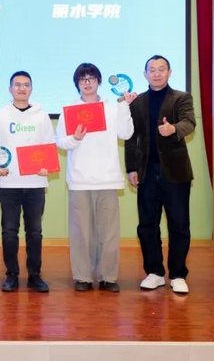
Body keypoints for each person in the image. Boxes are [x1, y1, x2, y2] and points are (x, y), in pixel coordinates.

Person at [56, 63, 136, 293]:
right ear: (77, 83)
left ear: (99, 81)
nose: (87, 82)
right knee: (80, 233)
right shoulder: (69, 110)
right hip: (80, 180)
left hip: (107, 179)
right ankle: (82, 276)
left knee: (109, 233)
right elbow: (60, 142)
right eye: (83, 79)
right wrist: (75, 138)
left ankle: (108, 277)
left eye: (91, 78)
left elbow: (126, 134)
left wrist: (125, 106)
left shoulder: (112, 108)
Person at [124, 55, 196, 295]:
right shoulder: (138, 102)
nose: (156, 73)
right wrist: (131, 168)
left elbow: (189, 122)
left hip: (175, 172)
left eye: (161, 69)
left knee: (179, 225)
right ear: (145, 74)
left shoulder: (181, 98)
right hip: (146, 172)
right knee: (147, 225)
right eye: (152, 70)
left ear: (169, 72)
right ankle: (154, 272)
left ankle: (178, 274)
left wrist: (173, 128)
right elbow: (131, 138)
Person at [0, 71, 55, 293]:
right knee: (9, 231)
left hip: (36, 182)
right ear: (10, 89)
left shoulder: (41, 115)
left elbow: (49, 145)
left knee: (34, 231)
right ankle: (11, 274)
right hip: (8, 182)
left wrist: (47, 165)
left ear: (31, 89)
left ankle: (35, 275)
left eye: (26, 85)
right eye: (17, 85)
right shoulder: (0, 116)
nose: (21, 88)